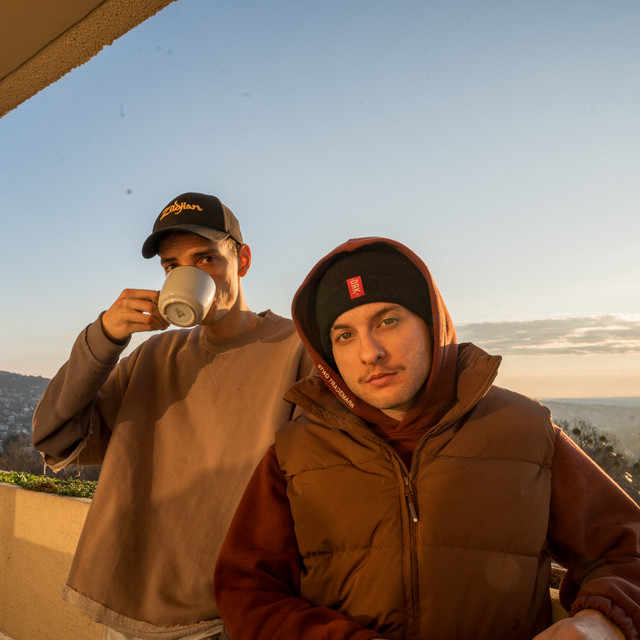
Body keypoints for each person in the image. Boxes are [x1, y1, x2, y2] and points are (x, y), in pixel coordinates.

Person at [213, 236, 640, 640]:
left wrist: (599, 620)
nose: (370, 352)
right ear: (328, 355)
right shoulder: (295, 452)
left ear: (432, 325)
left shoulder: (524, 428)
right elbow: (247, 588)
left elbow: (626, 550)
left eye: (388, 321)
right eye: (345, 335)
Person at [32, 192, 313, 640]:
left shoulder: (297, 350)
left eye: (206, 259)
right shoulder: (154, 355)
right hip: (131, 610)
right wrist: (104, 338)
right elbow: (53, 436)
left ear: (242, 260)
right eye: (172, 266)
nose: (188, 274)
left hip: (234, 614)